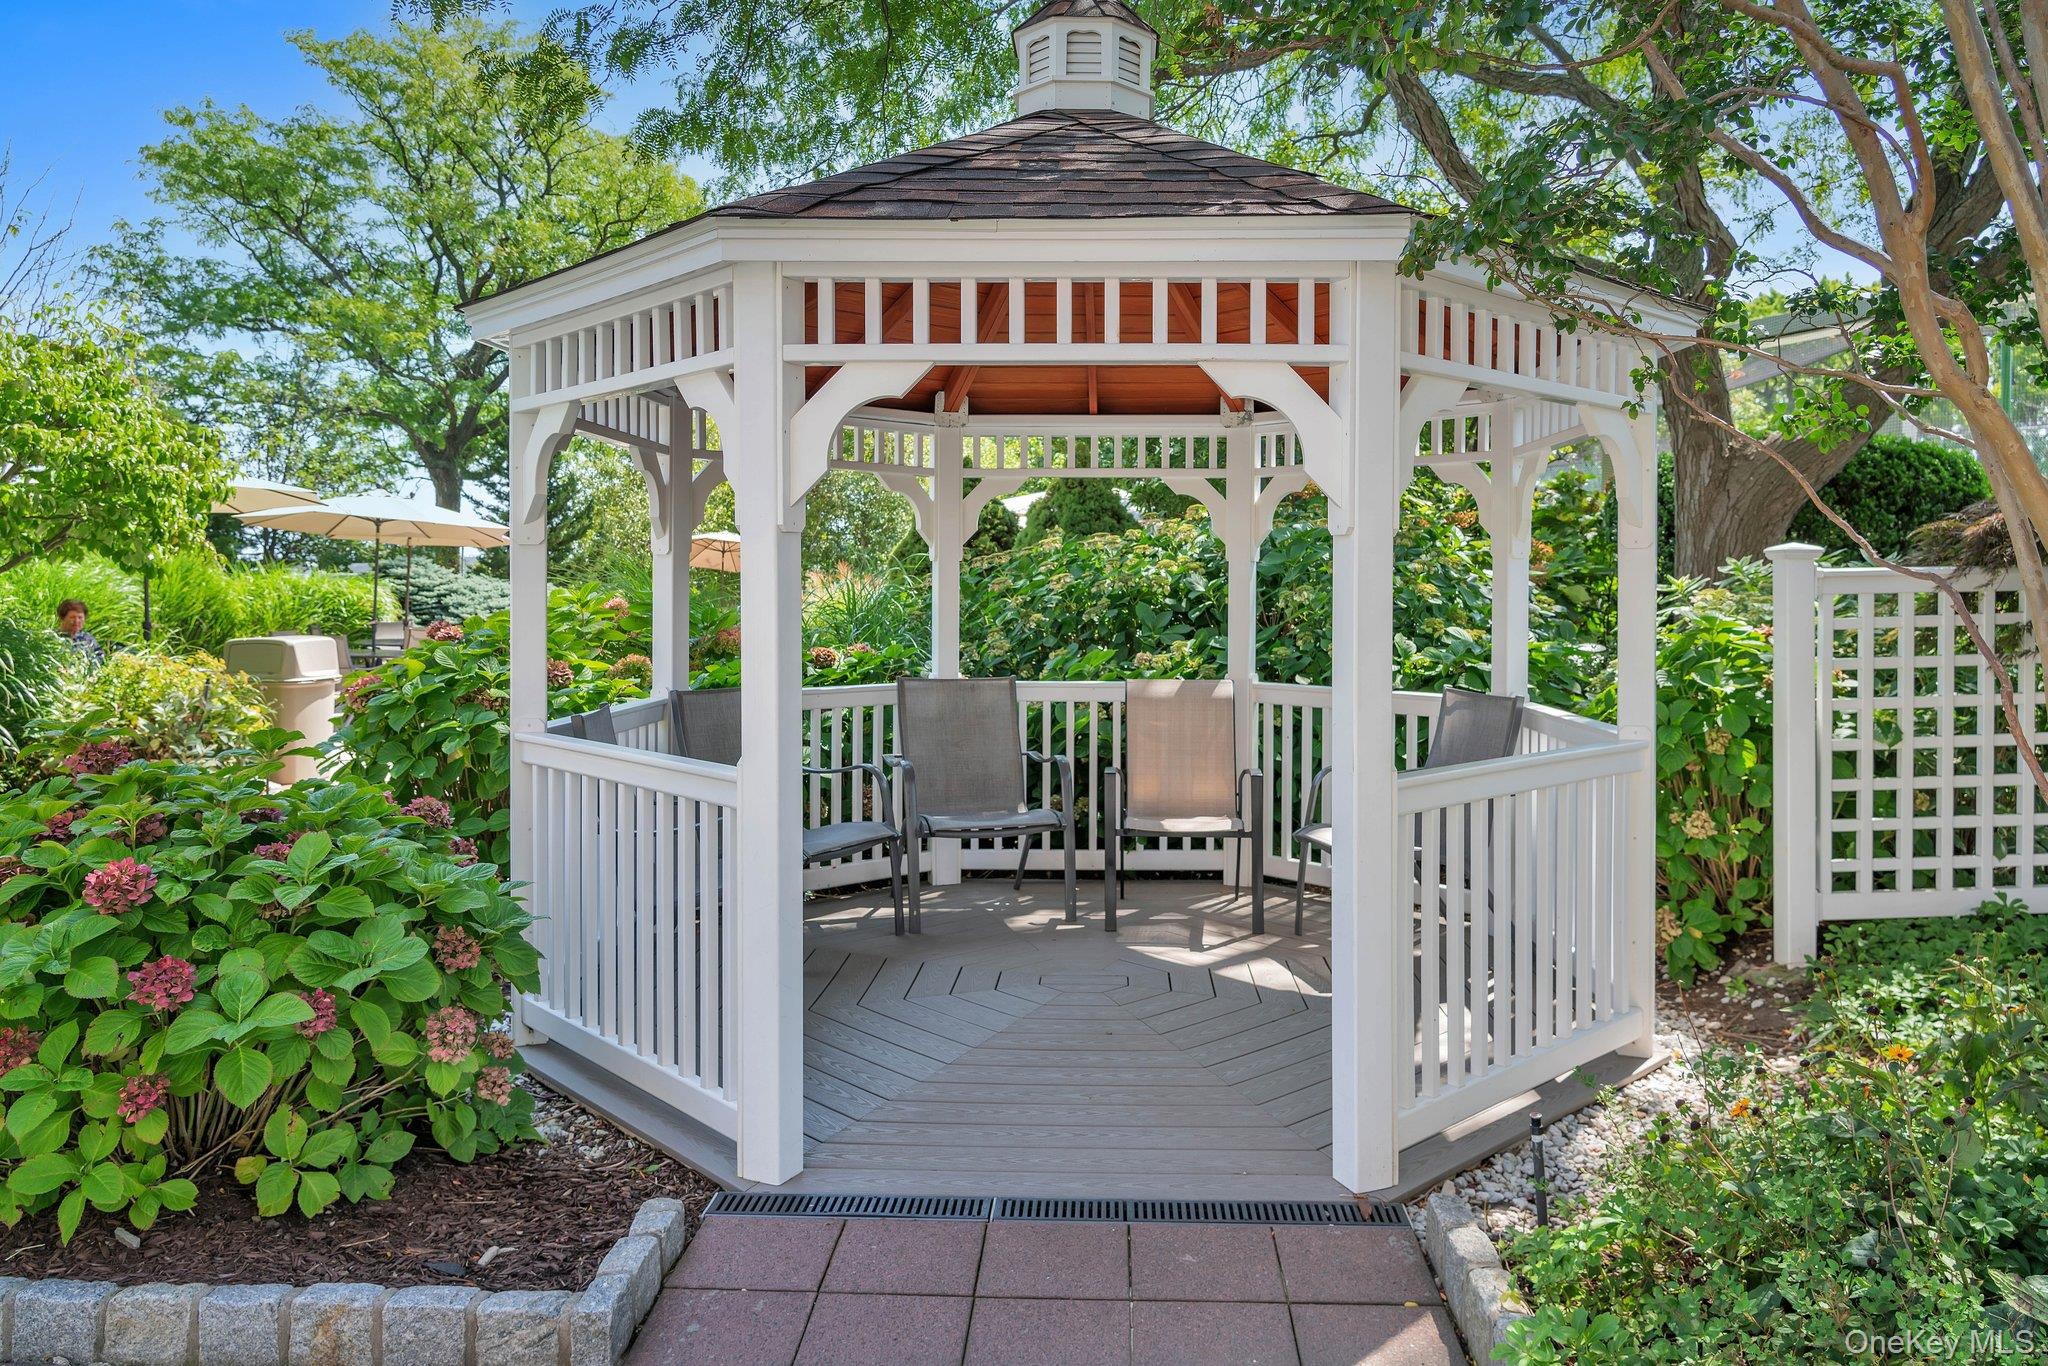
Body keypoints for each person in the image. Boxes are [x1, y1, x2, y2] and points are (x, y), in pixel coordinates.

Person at [55, 599, 104, 665]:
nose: (76, 621)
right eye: (72, 617)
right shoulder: (53, 638)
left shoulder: (87, 639)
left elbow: (100, 657)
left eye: (80, 617)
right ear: (62, 618)